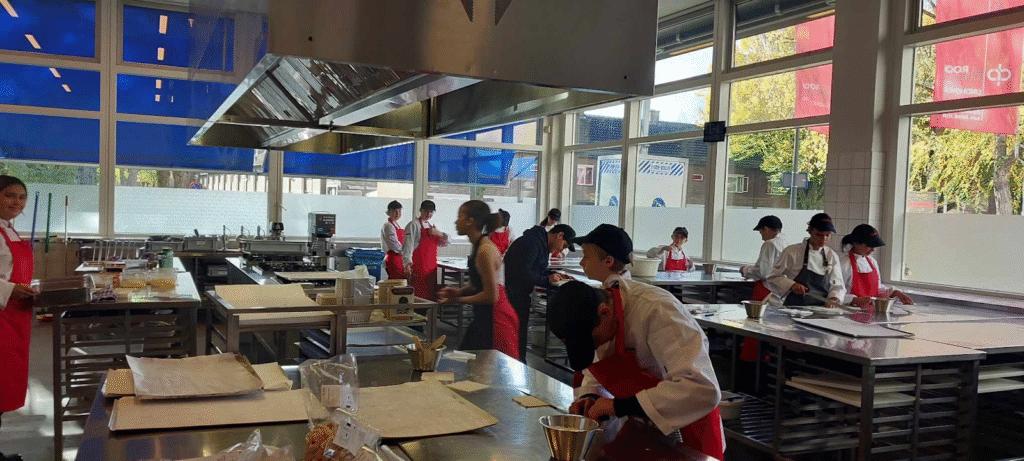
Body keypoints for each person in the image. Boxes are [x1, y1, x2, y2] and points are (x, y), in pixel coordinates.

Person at [551, 222, 724, 459]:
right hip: (642, 428)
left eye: (593, 341)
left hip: (689, 430)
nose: (595, 347)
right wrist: (591, 395)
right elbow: (598, 366)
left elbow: (702, 389)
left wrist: (619, 406)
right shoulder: (600, 306)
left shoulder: (658, 310)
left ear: (604, 312)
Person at [437, 201, 519, 359]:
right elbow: (479, 281)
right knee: (470, 362)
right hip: (483, 315)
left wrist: (457, 300)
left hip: (495, 317)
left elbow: (491, 295)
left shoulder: (485, 250)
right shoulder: (478, 245)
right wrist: (459, 291)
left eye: (460, 216)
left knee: (488, 366)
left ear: (470, 221)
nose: (456, 222)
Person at [0, 175, 38, 461]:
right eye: (9, 195)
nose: (17, 202)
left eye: (22, 197)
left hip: (14, 318)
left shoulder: (10, 230)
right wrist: (11, 289)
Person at [502, 222, 575, 361]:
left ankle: (518, 362)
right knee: (515, 335)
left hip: (519, 294)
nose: (561, 249)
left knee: (518, 334)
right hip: (513, 295)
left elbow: (535, 269)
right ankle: (517, 363)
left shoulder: (540, 243)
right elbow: (523, 273)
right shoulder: (532, 243)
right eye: (564, 245)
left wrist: (553, 274)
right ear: (559, 235)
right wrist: (546, 281)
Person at [767, 213, 845, 306]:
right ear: (810, 231)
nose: (824, 239)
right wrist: (791, 285)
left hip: (822, 309)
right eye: (819, 235)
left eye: (827, 235)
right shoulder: (792, 252)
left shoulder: (831, 255)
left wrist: (834, 298)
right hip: (794, 308)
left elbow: (838, 285)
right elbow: (773, 277)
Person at [839, 224, 913, 308]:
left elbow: (877, 289)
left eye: (874, 246)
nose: (872, 250)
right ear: (856, 244)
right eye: (869, 246)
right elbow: (836, 293)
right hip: (849, 312)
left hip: (870, 311)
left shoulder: (872, 262)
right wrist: (853, 300)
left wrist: (894, 293)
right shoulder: (844, 263)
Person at [403, 200, 449, 301]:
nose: (428, 214)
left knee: (430, 298)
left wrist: (439, 234)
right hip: (419, 268)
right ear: (420, 210)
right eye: (426, 211)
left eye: (431, 212)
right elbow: (407, 247)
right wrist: (407, 264)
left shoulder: (432, 227)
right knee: (418, 297)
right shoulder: (413, 225)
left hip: (431, 269)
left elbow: (446, 242)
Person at [739, 215, 789, 301]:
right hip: (781, 291)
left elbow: (762, 272)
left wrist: (745, 270)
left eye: (761, 232)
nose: (762, 238)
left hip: (767, 290)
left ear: (766, 229)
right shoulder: (785, 242)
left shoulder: (770, 243)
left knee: (761, 309)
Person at [380, 201, 405, 280]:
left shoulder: (397, 225)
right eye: (395, 211)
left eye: (399, 211)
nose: (397, 213)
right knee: (396, 283)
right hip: (393, 259)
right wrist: (406, 251)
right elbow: (394, 245)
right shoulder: (388, 226)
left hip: (400, 258)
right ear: (389, 212)